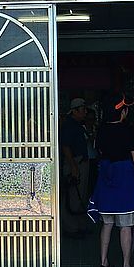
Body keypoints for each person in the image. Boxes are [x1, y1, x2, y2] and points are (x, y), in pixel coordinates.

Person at [87, 93, 134, 267]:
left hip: (106, 177)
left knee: (106, 224)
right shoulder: (128, 130)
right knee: (125, 225)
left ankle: (103, 262)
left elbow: (100, 152)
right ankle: (126, 266)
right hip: (124, 181)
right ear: (123, 112)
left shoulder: (101, 130)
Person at [60, 97, 91, 238]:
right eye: (83, 109)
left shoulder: (78, 125)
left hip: (81, 162)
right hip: (75, 163)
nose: (85, 112)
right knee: (72, 196)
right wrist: (73, 166)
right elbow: (66, 147)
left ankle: (78, 225)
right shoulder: (69, 125)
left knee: (80, 195)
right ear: (75, 111)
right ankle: (70, 227)